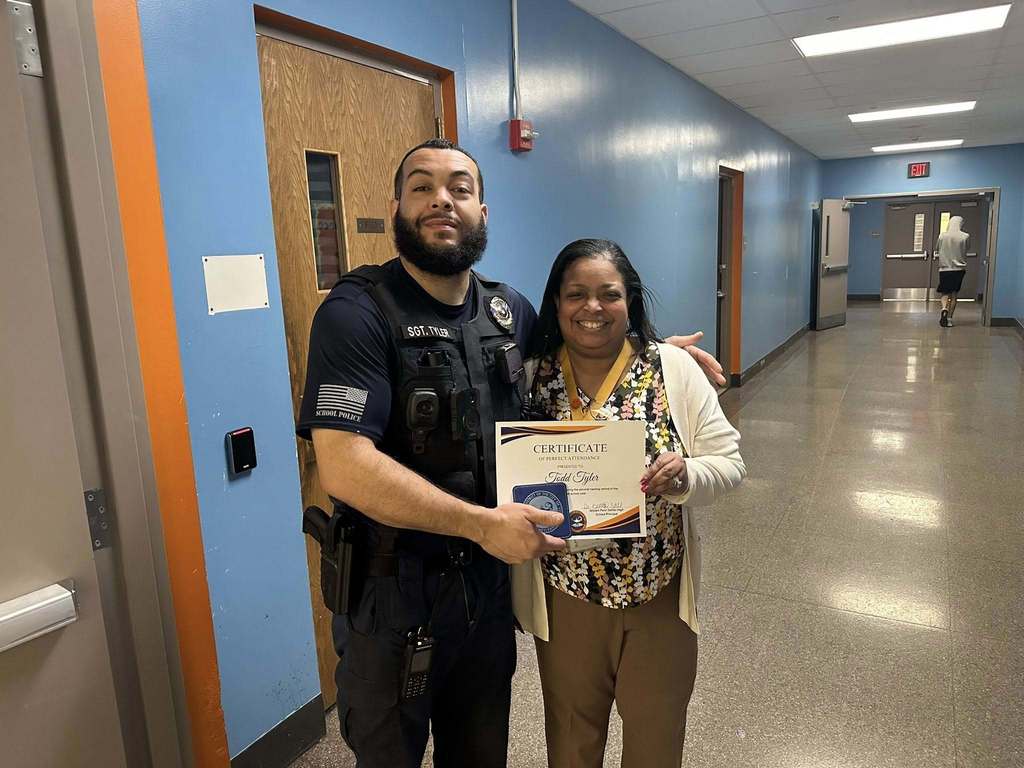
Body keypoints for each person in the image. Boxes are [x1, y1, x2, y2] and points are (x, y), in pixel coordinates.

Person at [296, 138, 726, 768]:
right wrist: (478, 524)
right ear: (396, 206)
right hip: (392, 595)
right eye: (422, 187)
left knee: (480, 753)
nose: (442, 200)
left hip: (487, 592)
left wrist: (659, 355)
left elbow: (586, 344)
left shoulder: (508, 313)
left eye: (460, 189)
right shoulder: (356, 314)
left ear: (482, 212)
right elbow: (342, 463)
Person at [512, 239, 745, 768]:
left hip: (657, 595)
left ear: (630, 301)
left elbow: (730, 464)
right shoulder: (529, 377)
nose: (591, 308)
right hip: (566, 595)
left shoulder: (673, 371)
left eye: (608, 294)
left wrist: (688, 473)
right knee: (571, 740)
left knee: (657, 739)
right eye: (576, 294)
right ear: (555, 303)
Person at [935, 215, 969, 327]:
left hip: (944, 269)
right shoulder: (965, 236)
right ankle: (949, 319)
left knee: (945, 292)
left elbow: (937, 248)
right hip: (958, 269)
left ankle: (944, 309)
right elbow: (967, 248)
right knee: (954, 294)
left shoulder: (942, 236)